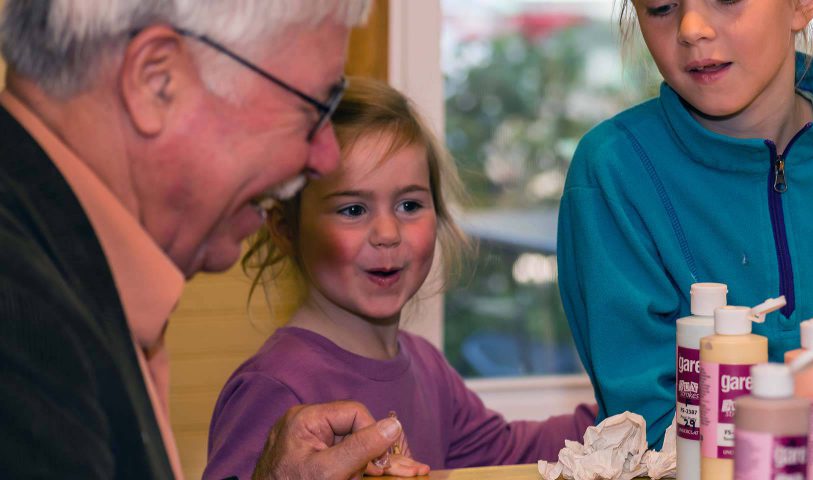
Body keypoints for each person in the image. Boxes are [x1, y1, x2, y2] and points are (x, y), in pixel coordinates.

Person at [0, 1, 408, 478]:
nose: (324, 157)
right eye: (314, 110)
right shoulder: (23, 327)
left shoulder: (60, 268)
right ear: (157, 81)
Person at [556, 0, 813, 465]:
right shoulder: (612, 172)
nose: (691, 28)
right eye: (661, 6)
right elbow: (654, 430)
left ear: (802, 5)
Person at [203, 78, 599, 480]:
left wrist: (628, 408)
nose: (388, 233)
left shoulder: (427, 366)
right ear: (285, 228)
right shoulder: (273, 387)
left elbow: (510, 453)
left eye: (409, 204)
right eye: (353, 210)